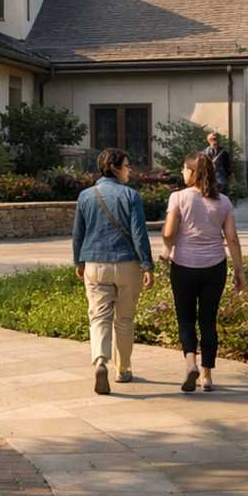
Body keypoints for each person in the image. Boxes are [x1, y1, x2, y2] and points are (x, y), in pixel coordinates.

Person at [72, 148, 154, 394]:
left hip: (95, 264)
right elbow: (139, 234)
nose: (130, 170)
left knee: (98, 318)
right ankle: (123, 369)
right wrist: (147, 265)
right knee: (124, 320)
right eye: (127, 166)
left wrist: (78, 262)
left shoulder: (86, 196)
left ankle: (100, 361)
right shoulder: (131, 195)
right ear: (116, 168)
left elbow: (78, 233)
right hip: (127, 264)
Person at [161, 151, 246, 393]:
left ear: (192, 173)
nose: (181, 173)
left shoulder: (178, 198)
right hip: (214, 267)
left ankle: (191, 364)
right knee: (208, 320)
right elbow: (232, 238)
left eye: (184, 170)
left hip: (184, 267)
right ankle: (207, 376)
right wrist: (240, 272)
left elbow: (168, 233)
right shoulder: (224, 202)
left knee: (186, 318)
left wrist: (167, 249)